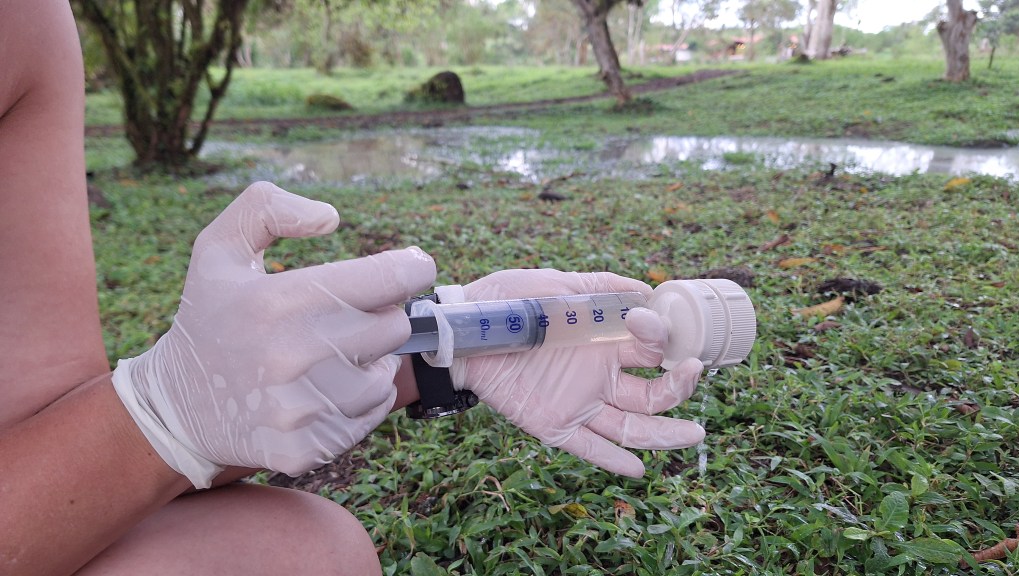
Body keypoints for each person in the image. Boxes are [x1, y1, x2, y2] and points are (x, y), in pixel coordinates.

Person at [0, 1, 707, 574]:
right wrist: (164, 412)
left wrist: (454, 341)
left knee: (301, 557)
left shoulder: (27, 21)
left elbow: (51, 428)